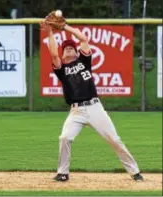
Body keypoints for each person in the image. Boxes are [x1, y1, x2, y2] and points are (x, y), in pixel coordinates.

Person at [40, 22, 144, 182]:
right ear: (63, 55)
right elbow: (53, 54)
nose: (69, 49)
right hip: (76, 111)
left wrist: (65, 26)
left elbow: (83, 39)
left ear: (76, 52)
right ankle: (63, 173)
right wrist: (49, 32)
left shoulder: (84, 62)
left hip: (95, 107)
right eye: (66, 48)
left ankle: (134, 171)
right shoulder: (61, 69)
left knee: (114, 139)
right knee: (65, 138)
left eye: (71, 48)